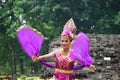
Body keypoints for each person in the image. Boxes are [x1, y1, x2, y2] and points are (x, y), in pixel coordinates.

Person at [32, 18, 96, 80]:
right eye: (62, 41)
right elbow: (44, 57)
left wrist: (90, 66)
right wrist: (36, 59)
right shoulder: (57, 53)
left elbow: (84, 62)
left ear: (70, 42)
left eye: (66, 41)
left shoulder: (74, 54)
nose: (63, 43)